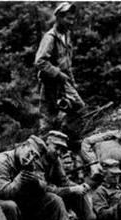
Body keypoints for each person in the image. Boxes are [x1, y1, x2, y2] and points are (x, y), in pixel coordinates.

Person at [40, 130, 117, 220]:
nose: (59, 152)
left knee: (79, 193)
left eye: (61, 150)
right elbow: (43, 188)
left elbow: (64, 180)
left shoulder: (55, 159)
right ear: (47, 143)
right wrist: (72, 189)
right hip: (36, 198)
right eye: (56, 147)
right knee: (60, 197)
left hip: (52, 193)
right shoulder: (36, 158)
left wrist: (79, 187)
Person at [35, 2, 85, 131]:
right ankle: (46, 144)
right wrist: (58, 74)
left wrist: (72, 82)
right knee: (47, 118)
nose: (71, 22)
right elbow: (40, 61)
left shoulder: (66, 36)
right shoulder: (50, 38)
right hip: (51, 82)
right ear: (59, 18)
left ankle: (64, 135)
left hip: (63, 81)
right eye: (68, 18)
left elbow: (67, 63)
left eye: (73, 19)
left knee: (77, 108)